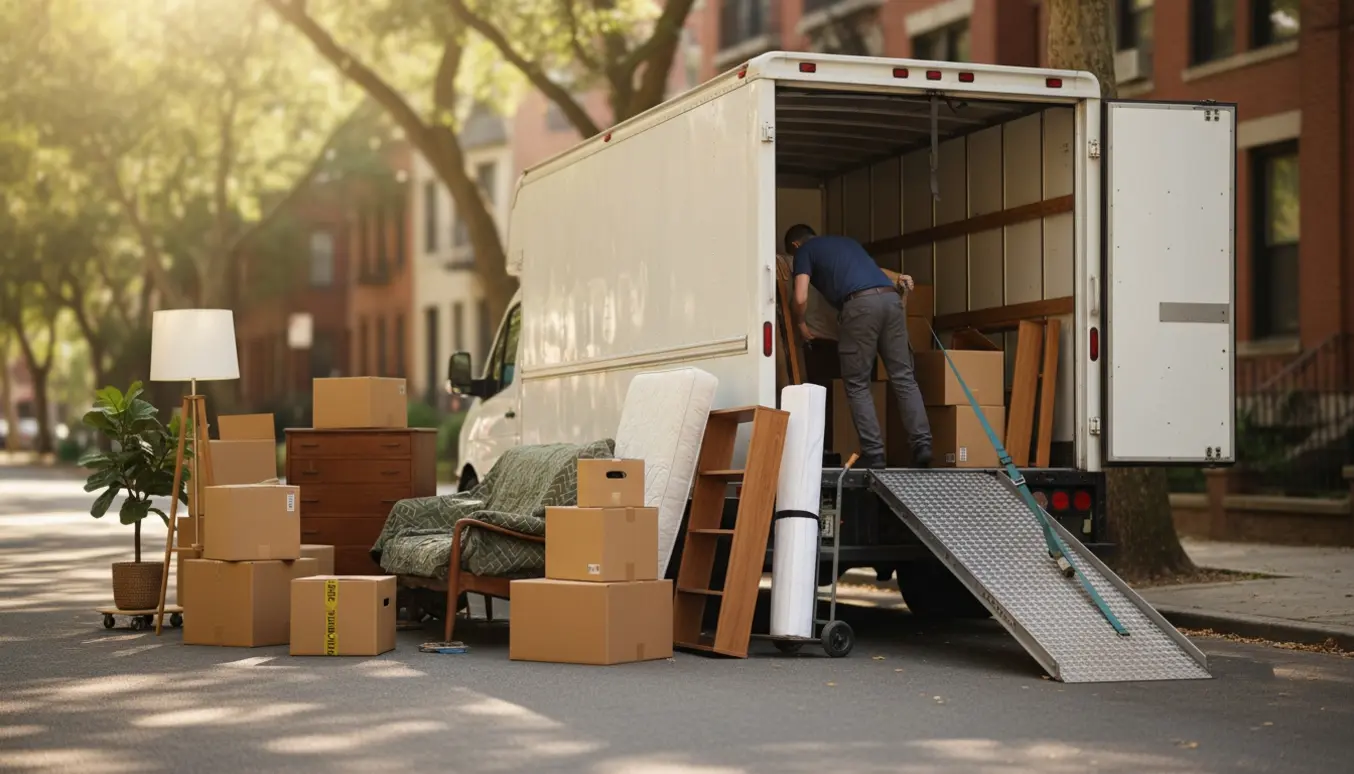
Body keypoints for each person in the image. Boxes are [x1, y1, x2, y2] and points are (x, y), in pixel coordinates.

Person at [785, 224, 931, 468]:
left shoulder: (803, 252)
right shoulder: (847, 243)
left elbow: (800, 297)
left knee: (856, 384)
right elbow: (876, 272)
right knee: (904, 377)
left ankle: (874, 454)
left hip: (860, 307)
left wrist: (799, 322)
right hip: (890, 301)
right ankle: (922, 445)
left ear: (795, 245)